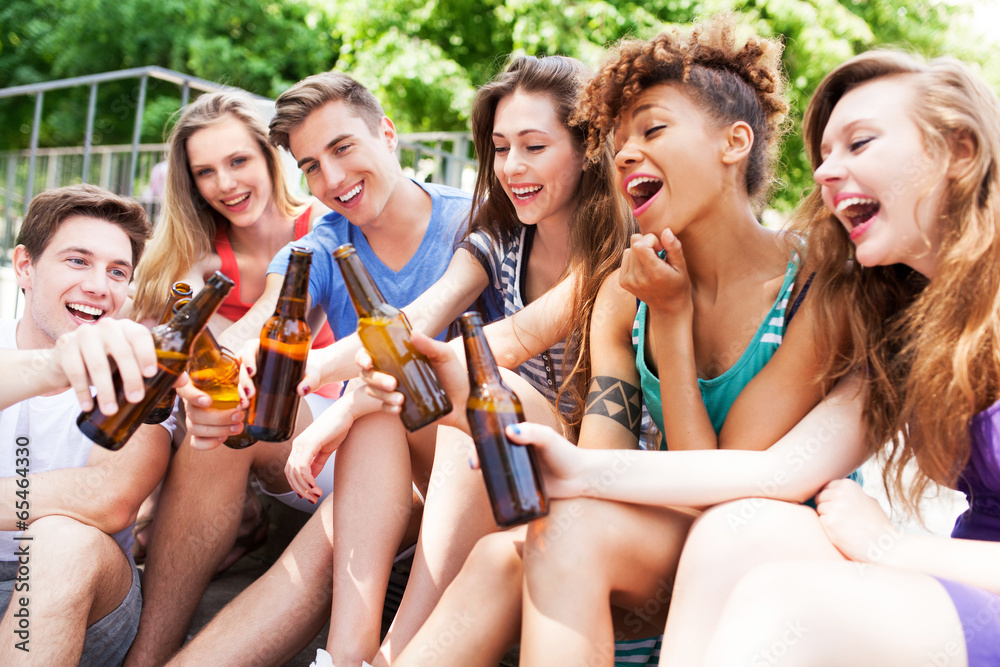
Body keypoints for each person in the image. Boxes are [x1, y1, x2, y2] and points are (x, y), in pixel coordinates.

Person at [384, 16, 853, 667]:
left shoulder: (816, 288)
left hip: (774, 545)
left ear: (734, 142)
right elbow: (601, 463)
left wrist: (673, 329)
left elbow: (721, 492)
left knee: (565, 530)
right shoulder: (624, 292)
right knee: (501, 555)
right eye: (620, 139)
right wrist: (461, 388)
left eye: (652, 130)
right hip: (664, 536)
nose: (626, 153)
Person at [641, 50, 1000, 667]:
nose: (828, 172)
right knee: (734, 530)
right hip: (965, 595)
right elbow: (774, 471)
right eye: (825, 155)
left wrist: (892, 547)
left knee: (789, 603)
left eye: (860, 143)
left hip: (964, 586)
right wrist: (575, 470)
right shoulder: (914, 326)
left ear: (960, 151)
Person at [280, 54, 634, 667]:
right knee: (393, 411)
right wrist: (313, 375)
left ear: (587, 148)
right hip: (506, 464)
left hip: (592, 466)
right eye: (500, 148)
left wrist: (338, 399)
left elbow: (508, 343)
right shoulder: (499, 236)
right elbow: (419, 317)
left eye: (534, 146)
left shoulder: (619, 249)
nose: (512, 167)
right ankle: (347, 654)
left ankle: (397, 654)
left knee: (475, 390)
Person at [125, 72, 473, 667]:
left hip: (455, 457)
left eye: (343, 148)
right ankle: (148, 654)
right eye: (312, 165)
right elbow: (261, 324)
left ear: (388, 134)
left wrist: (332, 391)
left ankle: (347, 652)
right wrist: (211, 377)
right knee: (231, 419)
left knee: (363, 443)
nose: (332, 179)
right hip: (367, 454)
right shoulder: (318, 244)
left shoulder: (473, 222)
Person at [126, 90, 339, 567]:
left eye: (238, 161)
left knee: (202, 342)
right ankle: (203, 507)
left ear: (269, 156)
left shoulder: (320, 223)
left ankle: (227, 513)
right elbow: (162, 327)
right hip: (225, 411)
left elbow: (280, 323)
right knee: (166, 320)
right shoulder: (200, 249)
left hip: (310, 402)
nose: (225, 184)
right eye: (205, 172)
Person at [0, 184, 176, 666]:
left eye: (117, 271)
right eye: (78, 261)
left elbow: (109, 497)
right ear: (25, 266)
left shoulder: (142, 365)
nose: (100, 286)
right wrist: (51, 367)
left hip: (80, 589)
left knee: (63, 537)